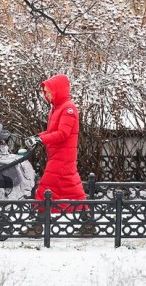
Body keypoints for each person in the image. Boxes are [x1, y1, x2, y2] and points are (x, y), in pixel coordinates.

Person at [24, 74, 95, 236]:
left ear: (58, 91)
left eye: (49, 92)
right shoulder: (56, 108)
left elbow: (63, 134)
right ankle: (88, 224)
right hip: (59, 156)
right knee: (74, 190)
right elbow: (51, 132)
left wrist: (41, 140)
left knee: (44, 189)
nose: (46, 95)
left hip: (62, 157)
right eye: (45, 92)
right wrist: (37, 137)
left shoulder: (68, 109)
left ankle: (37, 226)